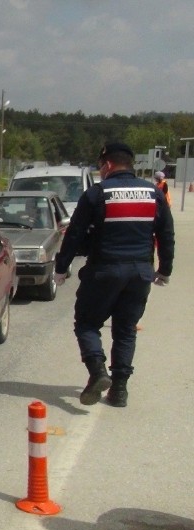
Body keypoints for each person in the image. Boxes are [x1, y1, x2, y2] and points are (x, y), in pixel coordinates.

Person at [53, 142, 175, 408]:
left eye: (100, 166)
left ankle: (98, 371)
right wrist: (164, 269)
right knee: (125, 330)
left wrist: (61, 267)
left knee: (86, 324)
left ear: (107, 165)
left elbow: (74, 234)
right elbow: (165, 234)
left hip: (104, 271)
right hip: (140, 273)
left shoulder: (97, 194)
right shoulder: (153, 193)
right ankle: (119, 390)